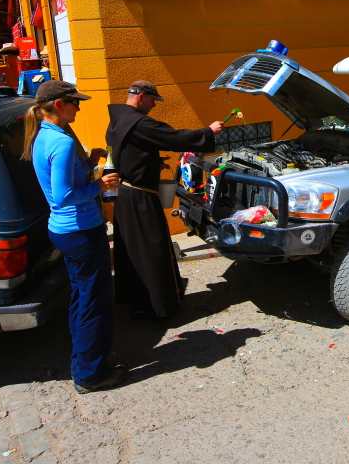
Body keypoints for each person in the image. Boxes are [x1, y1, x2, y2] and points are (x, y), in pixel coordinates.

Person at [22, 80, 127, 394]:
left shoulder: (45, 135)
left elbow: (62, 183)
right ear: (58, 106)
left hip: (66, 230)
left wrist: (89, 165)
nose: (78, 107)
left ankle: (85, 361)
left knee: (83, 299)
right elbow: (64, 196)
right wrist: (101, 186)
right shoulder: (63, 142)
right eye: (74, 102)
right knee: (93, 302)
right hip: (79, 230)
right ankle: (90, 374)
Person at [106, 81, 223, 318]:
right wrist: (208, 131)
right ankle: (157, 307)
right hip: (140, 196)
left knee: (133, 250)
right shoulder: (139, 122)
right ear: (141, 97)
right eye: (152, 101)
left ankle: (137, 302)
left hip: (125, 193)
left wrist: (151, 163)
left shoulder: (118, 119)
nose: (153, 106)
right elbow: (174, 137)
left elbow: (128, 151)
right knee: (153, 249)